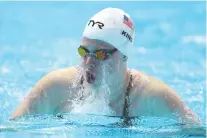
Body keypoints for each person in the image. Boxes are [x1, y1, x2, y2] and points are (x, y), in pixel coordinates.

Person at [10, 8, 201, 127]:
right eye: (84, 52)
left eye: (101, 54)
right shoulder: (55, 88)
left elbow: (196, 132)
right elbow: (11, 130)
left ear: (124, 56)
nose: (89, 62)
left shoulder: (152, 97)